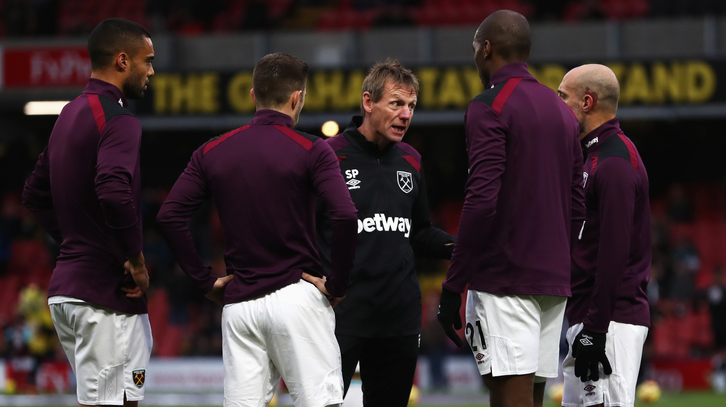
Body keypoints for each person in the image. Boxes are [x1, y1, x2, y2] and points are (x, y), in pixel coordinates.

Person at [156, 53, 358, 407]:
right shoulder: (314, 149)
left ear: (253, 95)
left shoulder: (212, 151)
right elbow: (344, 215)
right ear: (298, 98)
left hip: (240, 304)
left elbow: (170, 216)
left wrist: (205, 282)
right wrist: (337, 285)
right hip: (298, 298)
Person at [436, 10, 585, 407]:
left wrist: (453, 287)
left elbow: (482, 199)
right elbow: (577, 203)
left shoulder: (489, 106)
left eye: (473, 49)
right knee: (532, 397)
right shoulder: (563, 113)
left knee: (509, 398)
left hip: (506, 281)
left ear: (486, 49)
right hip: (553, 281)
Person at [22, 18, 157, 407]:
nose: (151, 70)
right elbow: (113, 190)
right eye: (146, 60)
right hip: (103, 300)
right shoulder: (119, 121)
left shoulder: (68, 115)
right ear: (121, 60)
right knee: (108, 403)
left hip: (84, 293)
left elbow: (34, 193)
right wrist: (135, 260)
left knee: (126, 398)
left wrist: (80, 243)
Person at [316, 60, 456, 406]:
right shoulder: (327, 157)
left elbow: (419, 232)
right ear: (368, 102)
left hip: (399, 319)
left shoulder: (412, 160)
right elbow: (302, 229)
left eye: (411, 106)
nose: (406, 114)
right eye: (396, 104)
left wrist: (465, 248)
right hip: (339, 316)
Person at [557, 64, 651, 407]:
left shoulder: (615, 162)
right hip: (590, 318)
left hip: (609, 323)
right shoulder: (592, 155)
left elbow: (615, 252)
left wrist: (595, 332)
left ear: (586, 102)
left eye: (562, 97)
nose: (557, 106)